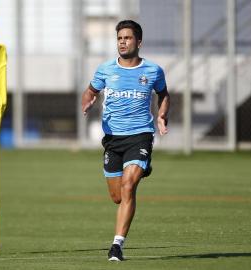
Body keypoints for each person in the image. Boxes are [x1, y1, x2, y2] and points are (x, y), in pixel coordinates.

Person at [81, 19, 170, 261]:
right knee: (118, 196)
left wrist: (162, 116)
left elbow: (163, 94)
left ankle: (117, 246)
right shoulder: (106, 69)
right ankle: (143, 167)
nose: (123, 42)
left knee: (129, 186)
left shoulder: (152, 71)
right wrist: (87, 103)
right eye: (120, 38)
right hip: (112, 139)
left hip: (140, 135)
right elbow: (90, 92)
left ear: (138, 42)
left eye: (128, 38)